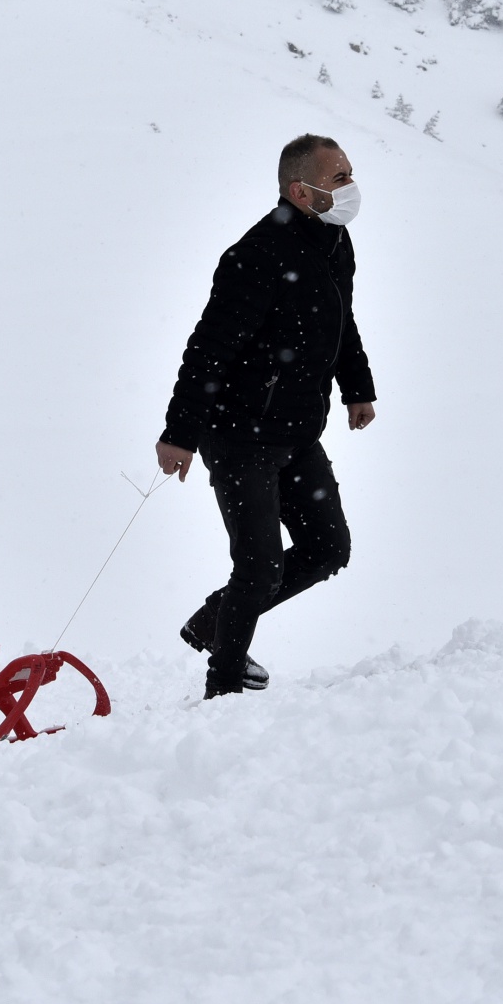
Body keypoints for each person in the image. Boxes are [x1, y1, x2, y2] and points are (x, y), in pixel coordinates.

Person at [155, 134, 378, 699]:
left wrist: (357, 387)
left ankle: (213, 622)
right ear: (301, 192)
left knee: (328, 549)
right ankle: (223, 692)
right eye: (339, 179)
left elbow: (340, 321)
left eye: (351, 173)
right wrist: (179, 433)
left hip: (299, 433)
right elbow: (208, 349)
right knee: (259, 569)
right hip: (238, 436)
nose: (351, 187)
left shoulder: (335, 241)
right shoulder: (256, 255)